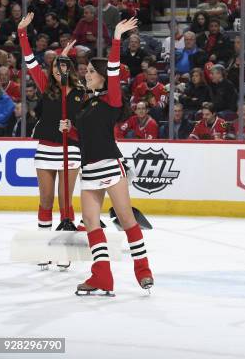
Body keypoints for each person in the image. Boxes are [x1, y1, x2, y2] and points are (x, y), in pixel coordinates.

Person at [59, 18, 154, 295]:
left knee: (126, 219)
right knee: (90, 222)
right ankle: (101, 276)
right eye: (84, 70)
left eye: (89, 71)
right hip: (89, 170)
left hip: (111, 167)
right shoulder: (86, 104)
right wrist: (70, 130)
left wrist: (115, 39)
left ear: (101, 75)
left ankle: (143, 269)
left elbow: (114, 69)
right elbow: (84, 137)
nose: (85, 74)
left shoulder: (111, 99)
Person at [18, 12, 83, 271]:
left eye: (64, 65)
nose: (60, 70)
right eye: (57, 66)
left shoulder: (80, 92)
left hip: (71, 151)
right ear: (53, 70)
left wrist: (73, 127)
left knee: (65, 203)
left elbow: (89, 124)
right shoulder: (45, 85)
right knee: (45, 200)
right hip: (47, 148)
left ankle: (65, 248)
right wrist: (23, 33)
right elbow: (30, 61)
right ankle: (44, 247)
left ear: (70, 69)